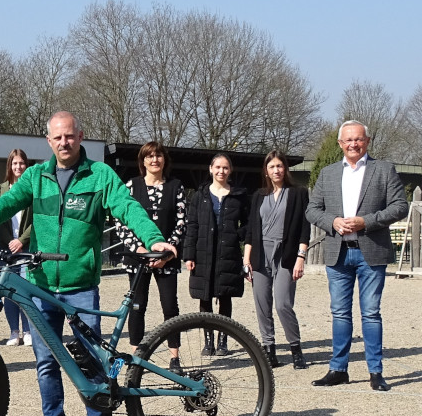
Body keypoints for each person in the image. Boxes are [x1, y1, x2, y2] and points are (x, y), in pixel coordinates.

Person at [0, 112, 173, 416]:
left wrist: (155, 238)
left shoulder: (100, 175)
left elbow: (128, 208)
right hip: (42, 284)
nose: (64, 142)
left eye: (70, 136)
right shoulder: (35, 176)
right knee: (46, 361)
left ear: (81, 137)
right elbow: (7, 202)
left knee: (91, 360)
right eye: (57, 137)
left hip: (80, 285)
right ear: (49, 141)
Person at [306, 120, 408, 391]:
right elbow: (312, 209)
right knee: (340, 313)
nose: (353, 144)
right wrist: (333, 221)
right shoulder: (327, 174)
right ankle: (338, 369)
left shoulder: (384, 170)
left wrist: (367, 221)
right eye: (348, 140)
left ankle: (376, 371)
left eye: (358, 139)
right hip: (338, 253)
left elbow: (400, 206)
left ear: (368, 140)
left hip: (371, 252)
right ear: (341, 143)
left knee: (371, 313)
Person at [114, 142, 186, 370]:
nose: (154, 160)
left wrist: (166, 251)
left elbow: (182, 222)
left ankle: (175, 357)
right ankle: (137, 357)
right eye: (149, 156)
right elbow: (121, 221)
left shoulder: (176, 187)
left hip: (167, 258)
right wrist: (139, 249)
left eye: (158, 156)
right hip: (138, 258)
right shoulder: (131, 186)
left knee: (170, 306)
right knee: (137, 305)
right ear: (142, 160)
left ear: (165, 159)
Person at [243, 150, 310, 370]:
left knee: (283, 303)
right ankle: (269, 350)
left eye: (279, 166)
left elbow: (303, 228)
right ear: (266, 170)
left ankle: (295, 349)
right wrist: (246, 260)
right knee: (262, 304)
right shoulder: (259, 196)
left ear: (285, 168)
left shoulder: (298, 193)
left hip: (287, 254)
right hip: (260, 254)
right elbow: (251, 230)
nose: (276, 170)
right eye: (271, 167)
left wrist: (300, 257)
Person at [182, 153, 248, 356]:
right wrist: (189, 254)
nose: (221, 171)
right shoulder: (198, 196)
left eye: (225, 168)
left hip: (228, 252)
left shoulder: (239, 195)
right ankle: (208, 341)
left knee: (225, 296)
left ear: (230, 171)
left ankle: (223, 341)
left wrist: (238, 238)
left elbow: (247, 225)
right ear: (210, 169)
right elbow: (192, 225)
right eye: (218, 167)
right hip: (203, 253)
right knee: (205, 298)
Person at [0, 149, 34, 346]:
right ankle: (14, 331)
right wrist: (10, 241)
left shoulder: (33, 188)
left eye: (22, 163)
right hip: (6, 249)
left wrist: (22, 240)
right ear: (9, 166)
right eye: (15, 163)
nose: (18, 167)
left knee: (26, 290)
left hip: (26, 248)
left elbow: (38, 219)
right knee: (9, 291)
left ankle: (27, 330)